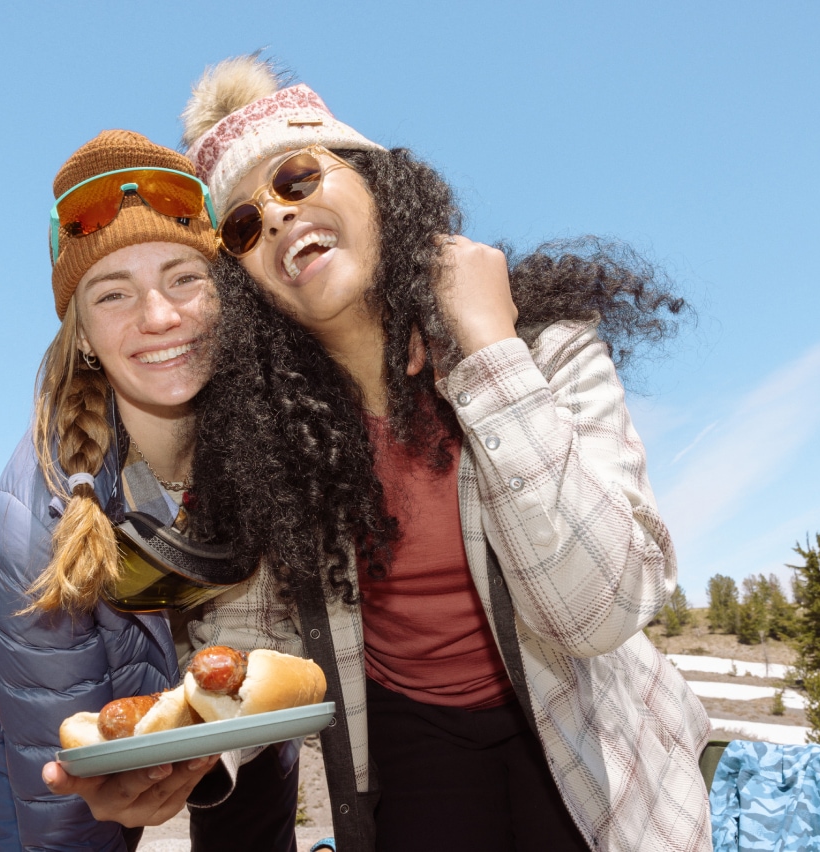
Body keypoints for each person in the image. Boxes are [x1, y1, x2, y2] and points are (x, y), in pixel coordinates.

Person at [173, 55, 714, 852]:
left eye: (296, 178)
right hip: (413, 732)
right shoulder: (270, 442)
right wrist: (185, 751)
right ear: (249, 282)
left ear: (374, 182)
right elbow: (257, 644)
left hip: (582, 719)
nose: (280, 217)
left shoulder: (543, 346)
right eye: (245, 225)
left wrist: (492, 356)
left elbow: (600, 611)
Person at [0, 130, 299, 850]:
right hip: (79, 772)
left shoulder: (283, 440)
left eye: (185, 278)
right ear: (84, 334)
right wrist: (105, 804)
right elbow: (55, 779)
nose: (159, 318)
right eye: (114, 293)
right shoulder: (36, 515)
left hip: (250, 742)